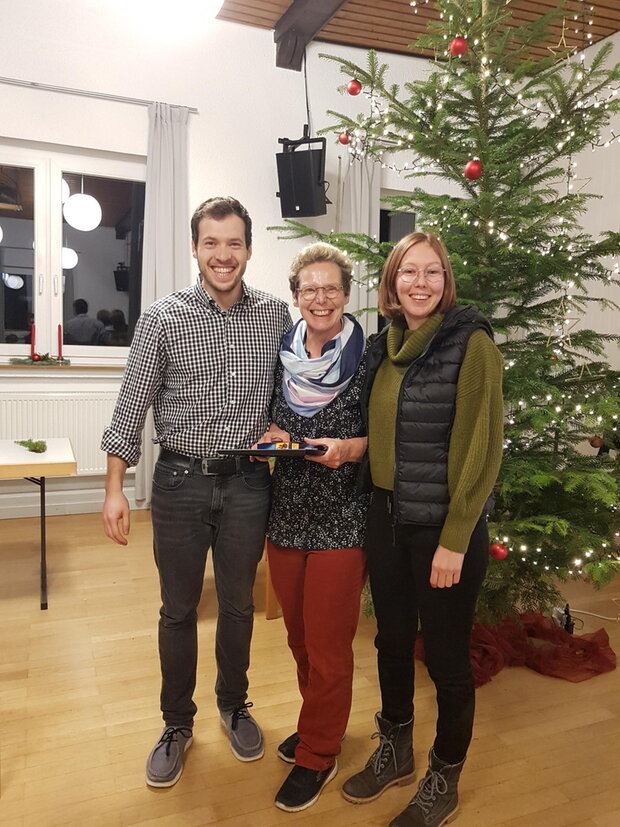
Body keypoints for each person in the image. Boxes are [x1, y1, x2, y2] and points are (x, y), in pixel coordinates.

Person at [101, 196, 292, 789]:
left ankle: (234, 706)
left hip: (246, 484)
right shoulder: (162, 317)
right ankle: (176, 725)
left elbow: (297, 392)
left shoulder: (277, 317)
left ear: (249, 250)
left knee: (237, 607)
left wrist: (288, 427)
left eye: (233, 243)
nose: (223, 254)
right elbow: (131, 407)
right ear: (194, 248)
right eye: (211, 243)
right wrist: (114, 490)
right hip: (180, 483)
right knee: (178, 611)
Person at [341, 232, 503, 827]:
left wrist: (456, 538)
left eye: (432, 272)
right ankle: (397, 750)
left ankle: (444, 776)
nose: (420, 283)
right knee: (388, 643)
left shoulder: (472, 344)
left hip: (443, 531)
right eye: (409, 272)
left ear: (446, 281)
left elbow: (484, 449)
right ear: (391, 282)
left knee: (446, 660)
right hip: (385, 519)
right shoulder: (387, 346)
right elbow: (383, 438)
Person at [263, 242, 369, 813]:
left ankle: (319, 754)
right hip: (287, 513)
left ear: (347, 295)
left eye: (331, 288)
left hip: (343, 519)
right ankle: (317, 725)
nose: (320, 297)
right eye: (309, 288)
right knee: (298, 638)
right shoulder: (281, 351)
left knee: (329, 647)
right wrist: (274, 438)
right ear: (296, 296)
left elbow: (390, 436)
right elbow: (275, 420)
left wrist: (350, 448)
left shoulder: (370, 355)